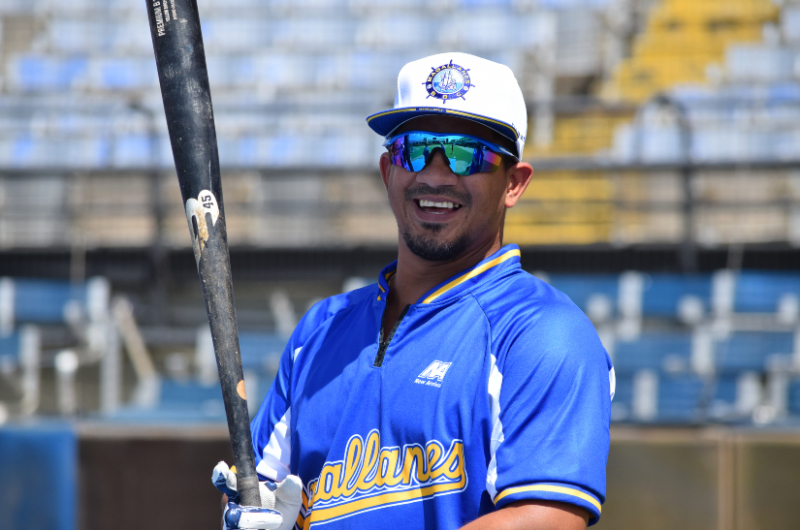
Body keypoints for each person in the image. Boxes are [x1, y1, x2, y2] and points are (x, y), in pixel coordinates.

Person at [214, 52, 614, 530]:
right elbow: (258, 488)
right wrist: (246, 514)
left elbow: (547, 518)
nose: (435, 175)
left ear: (514, 183)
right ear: (388, 170)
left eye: (467, 153)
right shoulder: (320, 329)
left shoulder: (543, 332)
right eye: (415, 149)